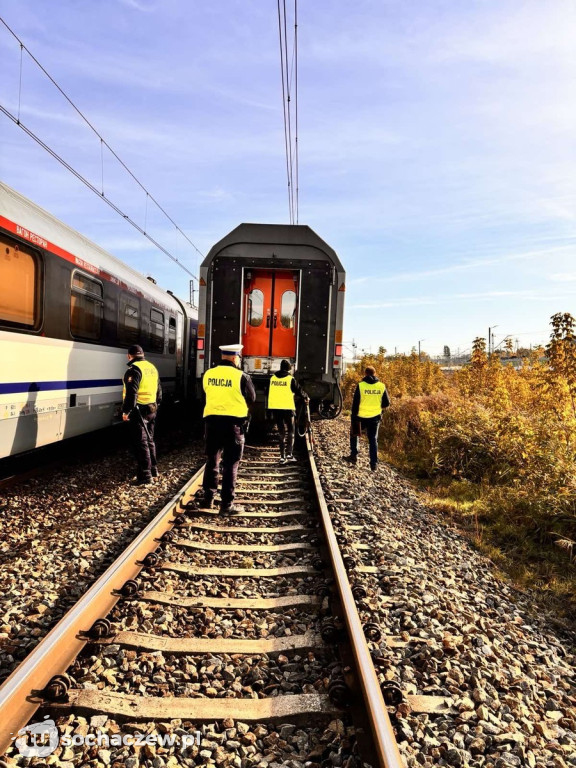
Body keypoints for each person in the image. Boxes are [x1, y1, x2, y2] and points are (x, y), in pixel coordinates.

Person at [200, 343, 256, 515]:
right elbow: (252, 398)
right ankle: (226, 505)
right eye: (239, 357)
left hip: (211, 423)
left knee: (212, 461)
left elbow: (205, 393)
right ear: (234, 357)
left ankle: (208, 498)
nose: (239, 360)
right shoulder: (242, 376)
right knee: (231, 464)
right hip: (233, 426)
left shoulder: (208, 374)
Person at [122, 344, 162, 485]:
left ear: (129, 356)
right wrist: (156, 405)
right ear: (142, 354)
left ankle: (145, 476)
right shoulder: (152, 367)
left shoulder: (134, 370)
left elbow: (132, 393)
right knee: (150, 440)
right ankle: (153, 470)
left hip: (139, 411)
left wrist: (126, 411)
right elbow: (159, 390)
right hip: (152, 409)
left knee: (141, 443)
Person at [343, 365, 390, 472]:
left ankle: (353, 456)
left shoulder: (361, 386)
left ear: (365, 373)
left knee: (354, 434)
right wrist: (378, 408)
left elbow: (355, 403)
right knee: (373, 439)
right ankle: (373, 464)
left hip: (360, 417)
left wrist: (353, 417)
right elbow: (387, 403)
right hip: (375, 418)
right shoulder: (381, 386)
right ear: (375, 373)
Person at [268, 359, 309, 464]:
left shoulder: (272, 378)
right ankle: (289, 454)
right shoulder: (290, 379)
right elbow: (299, 390)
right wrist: (306, 397)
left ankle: (282, 457)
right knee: (290, 431)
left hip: (276, 409)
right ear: (288, 369)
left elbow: (267, 392)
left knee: (281, 432)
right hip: (287, 409)